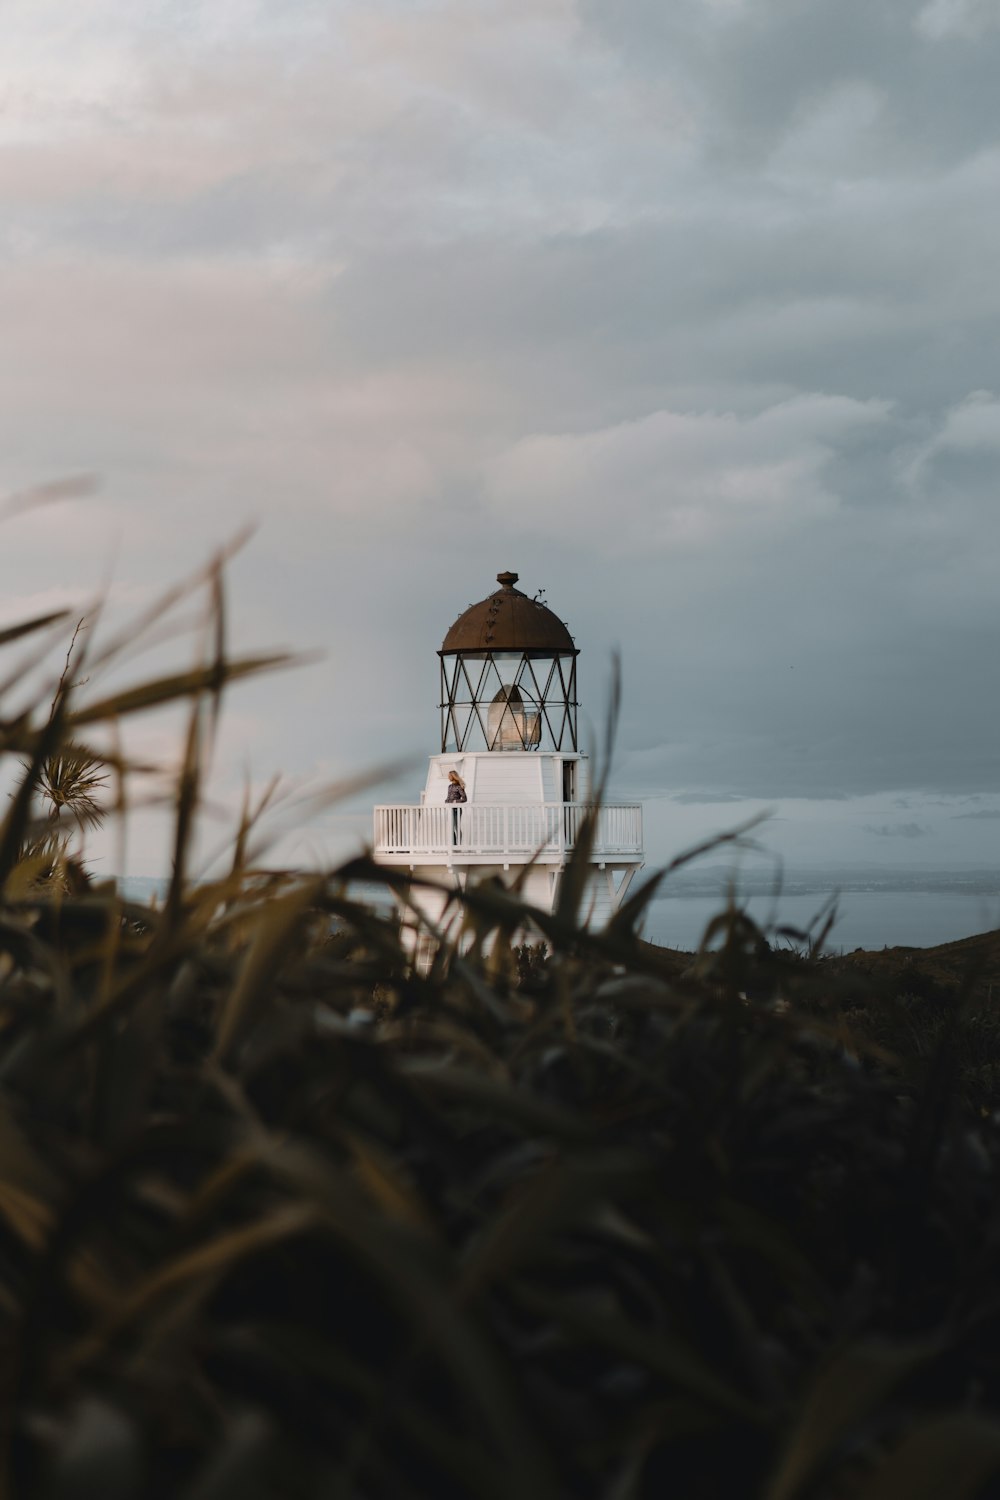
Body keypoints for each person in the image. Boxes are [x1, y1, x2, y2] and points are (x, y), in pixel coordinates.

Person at [446, 769, 466, 845]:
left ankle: (459, 845)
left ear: (453, 776)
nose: (448, 777)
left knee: (457, 827)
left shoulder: (459, 786)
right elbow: (448, 798)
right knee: (451, 828)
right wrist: (447, 801)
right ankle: (453, 845)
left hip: (457, 810)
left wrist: (455, 801)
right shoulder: (449, 786)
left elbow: (464, 799)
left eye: (449, 776)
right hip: (450, 809)